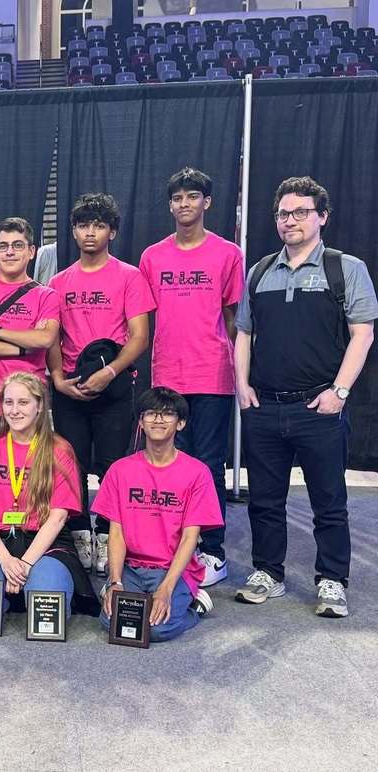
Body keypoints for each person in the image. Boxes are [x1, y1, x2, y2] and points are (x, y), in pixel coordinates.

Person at [234, 176, 377, 617]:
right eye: (283, 213)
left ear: (322, 217)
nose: (289, 220)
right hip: (265, 407)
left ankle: (332, 579)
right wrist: (242, 386)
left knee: (328, 501)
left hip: (319, 408)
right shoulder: (259, 272)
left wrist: (340, 392)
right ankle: (268, 572)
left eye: (300, 212)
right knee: (264, 500)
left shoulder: (344, 268)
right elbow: (244, 333)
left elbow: (363, 334)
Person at [139, 168, 245, 586]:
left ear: (207, 202)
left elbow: (234, 318)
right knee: (168, 465)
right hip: (167, 377)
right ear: (170, 205)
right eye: (178, 197)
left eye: (193, 196)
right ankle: (172, 545)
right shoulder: (152, 257)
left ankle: (212, 551)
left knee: (209, 465)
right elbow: (144, 319)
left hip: (212, 375)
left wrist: (231, 362)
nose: (185, 204)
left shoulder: (227, 254)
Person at [48, 193, 154, 575]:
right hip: (71, 388)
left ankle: (110, 534)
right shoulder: (58, 282)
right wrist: (57, 379)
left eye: (98, 225)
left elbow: (140, 337)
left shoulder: (129, 276)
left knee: (113, 466)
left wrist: (110, 372)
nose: (90, 233)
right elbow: (52, 336)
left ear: (112, 231)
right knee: (70, 465)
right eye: (83, 225)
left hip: (114, 386)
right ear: (74, 231)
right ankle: (79, 533)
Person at [0, 372, 96, 619]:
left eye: (23, 402)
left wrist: (24, 564)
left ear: (40, 406)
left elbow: (57, 518)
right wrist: (6, 560)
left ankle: (32, 585)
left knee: (46, 614)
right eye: (8, 402)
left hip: (45, 541)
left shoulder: (59, 449)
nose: (14, 410)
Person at [97, 387, 222, 642]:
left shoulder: (197, 473)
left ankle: (192, 606)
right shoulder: (120, 471)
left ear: (181, 423)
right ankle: (130, 591)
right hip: (131, 567)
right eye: (151, 413)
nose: (158, 419)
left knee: (156, 630)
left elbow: (190, 538)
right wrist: (115, 582)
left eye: (167, 414)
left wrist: (166, 588)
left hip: (172, 568)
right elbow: (116, 533)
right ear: (141, 422)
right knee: (115, 624)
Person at [0, 217, 60, 438]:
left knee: (33, 461)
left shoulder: (47, 295)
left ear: (31, 251)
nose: (9, 252)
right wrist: (25, 347)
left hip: (32, 402)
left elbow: (44, 339)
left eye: (17, 245)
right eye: (3, 246)